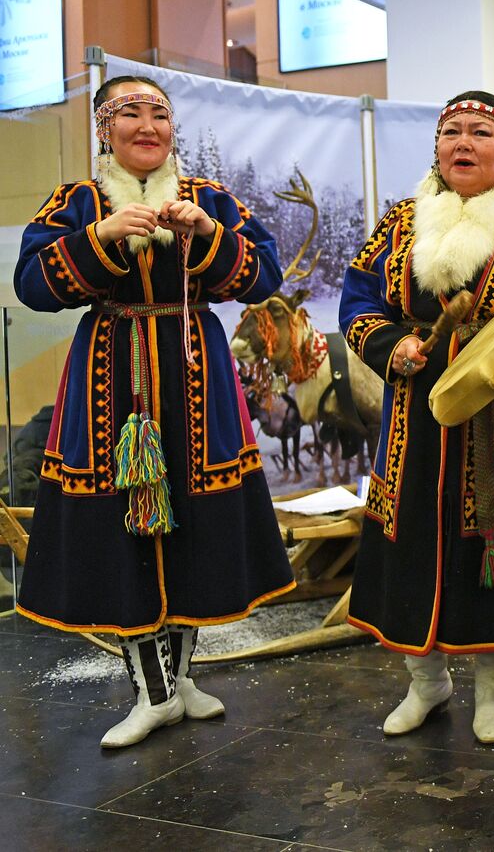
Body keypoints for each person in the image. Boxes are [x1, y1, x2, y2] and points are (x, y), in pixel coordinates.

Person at [14, 76, 294, 748]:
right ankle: (153, 690)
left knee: (193, 522)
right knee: (127, 526)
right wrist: (101, 235)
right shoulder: (76, 201)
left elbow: (264, 277)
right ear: (103, 128)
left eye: (160, 113)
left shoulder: (208, 199)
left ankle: (181, 679)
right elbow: (32, 284)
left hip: (198, 379)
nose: (149, 125)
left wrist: (209, 234)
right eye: (130, 112)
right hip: (110, 382)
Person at [339, 90, 494, 743]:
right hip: (414, 414)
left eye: (480, 133)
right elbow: (358, 298)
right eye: (452, 132)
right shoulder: (399, 222)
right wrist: (396, 346)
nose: (463, 144)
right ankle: (426, 683)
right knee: (414, 539)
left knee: (491, 545)